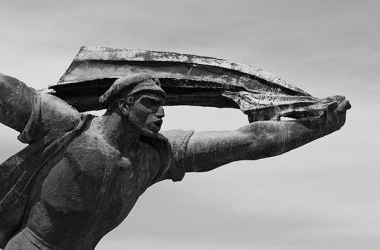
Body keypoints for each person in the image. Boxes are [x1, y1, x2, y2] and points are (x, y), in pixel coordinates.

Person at [0, 72, 350, 250]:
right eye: (150, 103)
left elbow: (250, 141)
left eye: (162, 104)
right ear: (123, 104)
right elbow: (7, 93)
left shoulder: (157, 155)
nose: (161, 113)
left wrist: (320, 124)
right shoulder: (68, 127)